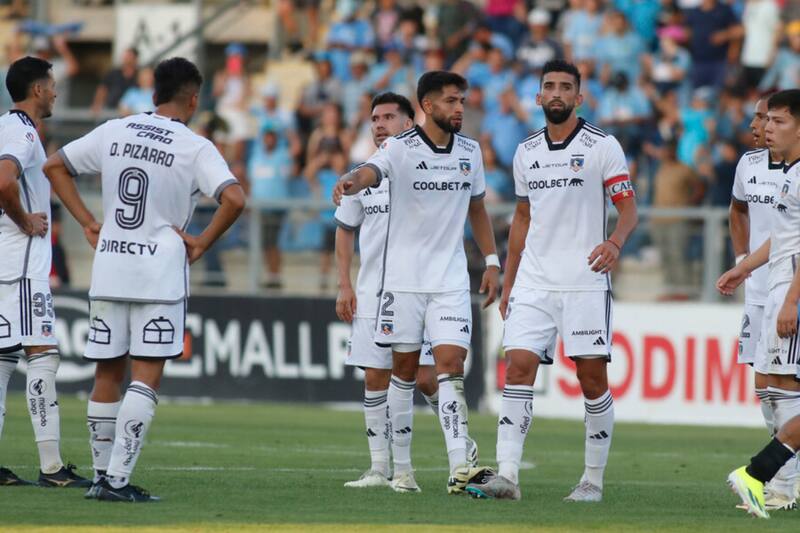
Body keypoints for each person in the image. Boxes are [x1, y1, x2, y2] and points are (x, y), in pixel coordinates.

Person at [43, 57, 246, 502]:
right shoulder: (195, 146)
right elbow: (234, 197)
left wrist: (87, 222)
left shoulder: (115, 130)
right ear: (193, 99)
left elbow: (54, 166)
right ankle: (117, 481)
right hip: (159, 272)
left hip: (111, 266)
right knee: (146, 376)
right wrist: (201, 243)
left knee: (107, 371)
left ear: (153, 92)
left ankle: (100, 477)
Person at [466, 59, 639, 502]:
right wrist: (509, 279)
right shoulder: (526, 151)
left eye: (566, 87)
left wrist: (615, 243)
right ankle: (508, 475)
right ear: (538, 96)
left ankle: (592, 481)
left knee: (591, 379)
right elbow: (523, 217)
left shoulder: (604, 146)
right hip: (534, 283)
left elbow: (628, 210)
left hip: (584, 281)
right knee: (518, 368)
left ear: (579, 97)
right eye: (549, 86)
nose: (557, 93)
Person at [333, 71, 499, 494]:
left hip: (450, 281)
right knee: (402, 374)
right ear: (428, 106)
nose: (459, 107)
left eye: (461, 100)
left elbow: (477, 208)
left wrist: (493, 261)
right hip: (400, 284)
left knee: (449, 367)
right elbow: (373, 170)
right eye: (450, 101)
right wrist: (354, 180)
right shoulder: (399, 149)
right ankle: (401, 471)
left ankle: (461, 467)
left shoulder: (470, 151)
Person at [0, 56, 91, 488]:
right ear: (37, 90)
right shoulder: (20, 131)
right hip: (20, 266)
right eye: (52, 85)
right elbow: (3, 181)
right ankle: (52, 467)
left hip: (5, 262)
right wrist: (23, 220)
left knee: (1, 362)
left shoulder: (5, 126)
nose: (56, 91)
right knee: (43, 354)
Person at [719, 89, 800, 518]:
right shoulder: (787, 174)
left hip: (787, 291)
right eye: (766, 120)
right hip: (784, 292)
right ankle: (774, 481)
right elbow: (787, 241)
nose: (765, 127)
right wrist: (744, 268)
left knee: (782, 385)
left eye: (777, 120)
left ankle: (769, 477)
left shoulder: (794, 173)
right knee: (775, 385)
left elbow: (789, 240)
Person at [247, 125, 294, 289]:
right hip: (259, 208)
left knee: (272, 243)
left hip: (275, 207)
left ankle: (275, 275)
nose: (269, 140)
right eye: (266, 136)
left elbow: (292, 167)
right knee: (264, 243)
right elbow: (251, 181)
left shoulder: (283, 156)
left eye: (272, 136)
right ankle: (270, 274)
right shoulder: (256, 157)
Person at [91, 48, 139, 116]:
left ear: (135, 58)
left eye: (129, 57)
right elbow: (103, 89)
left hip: (132, 112)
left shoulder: (139, 75)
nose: (126, 59)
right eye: (125, 56)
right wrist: (97, 104)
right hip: (111, 109)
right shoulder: (113, 73)